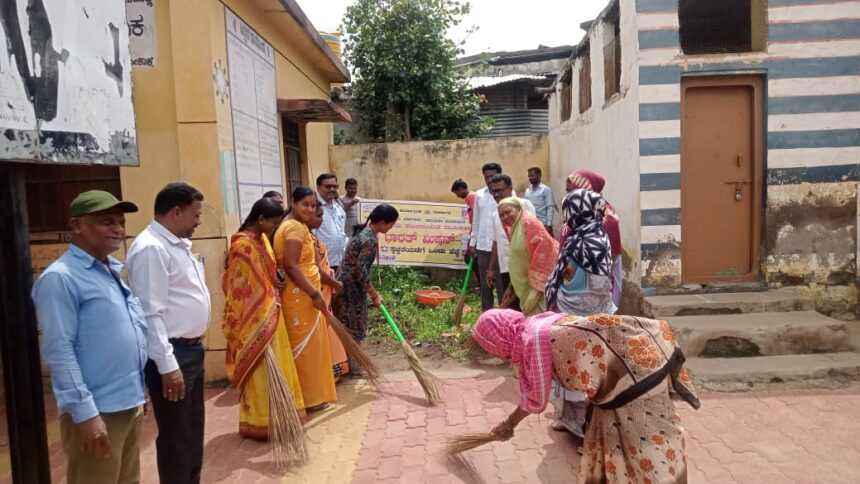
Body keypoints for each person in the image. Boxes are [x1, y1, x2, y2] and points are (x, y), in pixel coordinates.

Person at [471, 309, 700, 483]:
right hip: (637, 357)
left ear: (497, 339)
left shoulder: (531, 343)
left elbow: (535, 400)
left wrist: (509, 423)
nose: (490, 353)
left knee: (646, 446)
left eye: (487, 346)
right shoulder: (534, 324)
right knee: (611, 440)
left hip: (634, 376)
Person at [32, 190, 147, 484]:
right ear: (76, 226)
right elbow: (59, 351)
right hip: (98, 410)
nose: (118, 229)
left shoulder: (110, 270)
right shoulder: (61, 278)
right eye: (105, 221)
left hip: (128, 403)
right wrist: (85, 414)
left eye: (120, 222)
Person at [127, 183, 211, 484]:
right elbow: (151, 313)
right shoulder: (151, 248)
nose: (198, 222)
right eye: (195, 214)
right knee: (177, 438)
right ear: (176, 212)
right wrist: (168, 365)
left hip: (190, 351)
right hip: (173, 356)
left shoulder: (174, 244)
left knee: (192, 432)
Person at [221, 198, 306, 438]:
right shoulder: (242, 246)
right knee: (260, 371)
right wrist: (264, 296)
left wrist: (276, 278)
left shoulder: (263, 241)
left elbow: (267, 272)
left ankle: (281, 416)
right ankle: (259, 422)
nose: (274, 228)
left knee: (279, 365)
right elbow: (238, 286)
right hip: (254, 318)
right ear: (260, 219)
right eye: (273, 223)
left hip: (271, 312)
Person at [274, 187, 337, 412]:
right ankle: (307, 399)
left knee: (312, 347)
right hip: (300, 297)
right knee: (305, 349)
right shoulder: (293, 227)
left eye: (313, 205)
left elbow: (308, 265)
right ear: (293, 203)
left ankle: (312, 396)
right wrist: (313, 293)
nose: (310, 209)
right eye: (305, 205)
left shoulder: (299, 227)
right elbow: (291, 266)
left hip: (305, 294)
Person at [334, 203, 399, 374]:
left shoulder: (362, 232)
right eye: (392, 224)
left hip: (343, 283)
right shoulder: (369, 239)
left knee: (347, 325)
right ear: (383, 222)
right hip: (351, 289)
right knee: (354, 327)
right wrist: (375, 295)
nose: (391, 228)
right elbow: (360, 272)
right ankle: (353, 367)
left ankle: (349, 364)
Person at [566, 169, 623, 308]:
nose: (569, 196)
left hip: (597, 287)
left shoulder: (606, 218)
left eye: (573, 192)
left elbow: (609, 259)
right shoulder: (577, 212)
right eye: (568, 192)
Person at [308, 202, 350, 380]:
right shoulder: (306, 239)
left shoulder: (311, 238)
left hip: (324, 287)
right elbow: (315, 269)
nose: (321, 219)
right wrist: (334, 282)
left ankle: (332, 372)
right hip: (316, 291)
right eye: (318, 216)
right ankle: (324, 375)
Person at [497, 197, 559, 315]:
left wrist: (537, 283)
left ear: (518, 209)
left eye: (508, 212)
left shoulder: (529, 223)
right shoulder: (516, 228)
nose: (505, 217)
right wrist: (511, 286)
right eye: (501, 215)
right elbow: (519, 259)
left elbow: (545, 250)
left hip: (538, 289)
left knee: (540, 321)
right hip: (525, 288)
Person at [486, 174, 534, 310]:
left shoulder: (524, 205)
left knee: (528, 304)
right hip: (507, 267)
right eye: (493, 191)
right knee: (511, 306)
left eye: (500, 190)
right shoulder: (496, 214)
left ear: (510, 188)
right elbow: (496, 243)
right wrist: (490, 269)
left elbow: (533, 235)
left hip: (525, 267)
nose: (496, 194)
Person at [467, 162, 504, 312]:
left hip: (501, 246)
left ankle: (503, 313)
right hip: (483, 245)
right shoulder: (479, 195)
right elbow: (476, 219)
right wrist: (472, 242)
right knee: (485, 283)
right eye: (486, 177)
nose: (489, 180)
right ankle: (486, 314)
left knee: (502, 282)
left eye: (492, 176)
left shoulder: (507, 194)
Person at [314, 173, 348, 273]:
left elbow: (342, 233)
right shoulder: (314, 208)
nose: (332, 189)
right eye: (328, 186)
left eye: (335, 186)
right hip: (321, 264)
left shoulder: (339, 208)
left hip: (340, 263)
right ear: (318, 188)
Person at [451, 178, 476, 265]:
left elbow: (476, 219)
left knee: (470, 259)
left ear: (461, 189)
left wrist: (472, 239)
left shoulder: (471, 197)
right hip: (474, 233)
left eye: (456, 193)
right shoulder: (470, 197)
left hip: (477, 234)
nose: (457, 196)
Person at [524, 167, 554, 235]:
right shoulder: (527, 191)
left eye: (532, 175)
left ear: (539, 175)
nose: (530, 178)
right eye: (529, 176)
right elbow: (525, 208)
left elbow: (550, 207)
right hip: (531, 224)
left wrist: (549, 225)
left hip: (543, 224)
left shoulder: (546, 190)